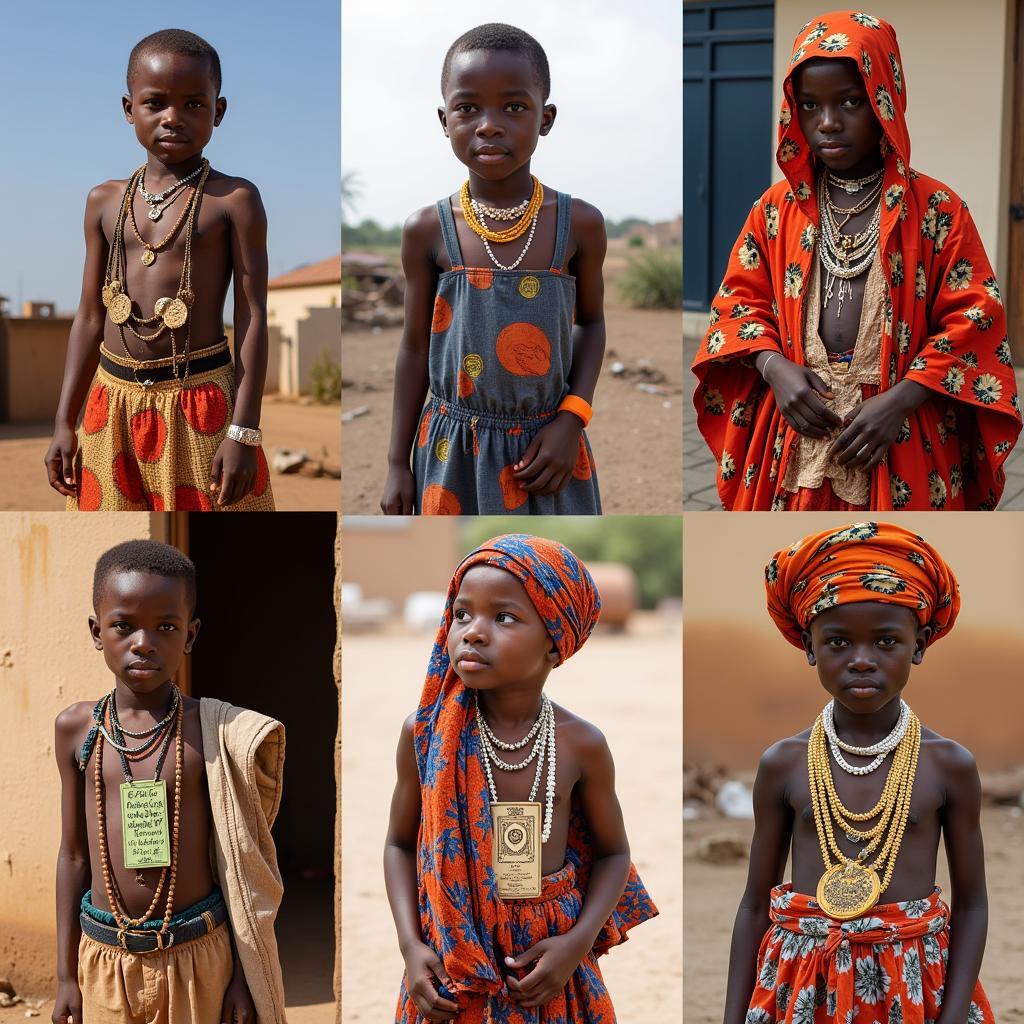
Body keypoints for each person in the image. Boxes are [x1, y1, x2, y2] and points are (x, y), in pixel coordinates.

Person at [692, 11, 1021, 511]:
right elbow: (737, 305)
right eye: (809, 105)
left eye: (851, 101)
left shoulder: (937, 209)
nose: (827, 122)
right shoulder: (774, 210)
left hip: (899, 435)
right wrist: (773, 366)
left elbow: (975, 317)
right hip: (794, 428)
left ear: (887, 101)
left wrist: (900, 401)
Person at [723, 520, 994, 1024]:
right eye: (839, 643)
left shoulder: (948, 764)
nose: (862, 661)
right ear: (809, 647)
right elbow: (754, 905)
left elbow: (973, 903)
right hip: (802, 980)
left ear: (920, 644)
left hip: (914, 984)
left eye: (887, 642)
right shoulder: (784, 762)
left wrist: (953, 1015)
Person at [384, 535, 657, 1021]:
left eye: (504, 617)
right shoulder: (424, 734)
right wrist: (410, 945)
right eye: (462, 614)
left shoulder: (581, 744)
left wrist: (577, 943)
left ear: (556, 642)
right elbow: (400, 845)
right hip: (449, 959)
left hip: (547, 964)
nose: (472, 632)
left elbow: (615, 853)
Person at [53, 541, 286, 1024]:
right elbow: (73, 855)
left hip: (200, 955)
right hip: (104, 959)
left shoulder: (211, 731)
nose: (144, 642)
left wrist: (242, 978)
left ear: (191, 635)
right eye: (123, 625)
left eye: (166, 627)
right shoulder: (77, 729)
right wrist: (65, 977)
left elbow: (242, 869)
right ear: (97, 633)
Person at [45, 29, 275, 511]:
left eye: (194, 104)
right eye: (156, 103)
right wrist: (65, 420)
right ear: (129, 109)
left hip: (203, 402)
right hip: (111, 403)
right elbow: (89, 316)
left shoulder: (234, 200)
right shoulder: (103, 201)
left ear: (219, 110)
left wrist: (243, 431)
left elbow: (253, 316)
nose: (174, 117)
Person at [380, 24, 605, 516]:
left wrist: (572, 419)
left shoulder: (579, 224)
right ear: (444, 120)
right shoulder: (427, 229)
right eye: (467, 108)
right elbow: (415, 346)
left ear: (545, 119)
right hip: (450, 446)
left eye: (514, 107)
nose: (489, 124)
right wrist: (398, 462)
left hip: (548, 448)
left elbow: (591, 322)